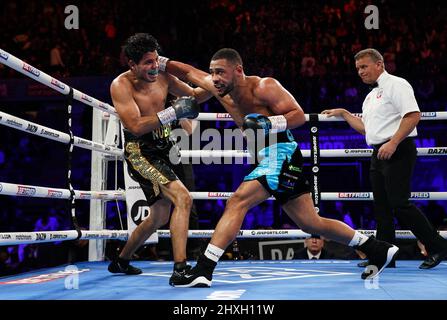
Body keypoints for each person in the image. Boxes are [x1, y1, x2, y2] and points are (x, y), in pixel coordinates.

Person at [162, 48, 399, 287]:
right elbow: (188, 72)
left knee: (237, 201)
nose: (214, 78)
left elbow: (298, 115)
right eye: (212, 72)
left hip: (281, 153)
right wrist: (158, 62)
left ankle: (204, 269)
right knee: (311, 223)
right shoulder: (218, 86)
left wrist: (268, 123)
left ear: (238, 71)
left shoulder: (264, 86)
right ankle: (376, 248)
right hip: (269, 158)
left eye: (220, 72)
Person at [322, 48, 447, 270]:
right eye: (358, 69)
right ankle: (384, 255)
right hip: (378, 152)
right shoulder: (370, 96)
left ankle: (438, 246)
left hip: (398, 149)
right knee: (381, 207)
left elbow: (413, 115)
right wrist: (344, 113)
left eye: (364, 67)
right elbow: (368, 130)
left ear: (379, 64)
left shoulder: (396, 84)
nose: (360, 72)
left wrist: (394, 142)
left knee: (399, 203)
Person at [107, 33, 212, 282]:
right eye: (147, 62)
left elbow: (195, 95)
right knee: (183, 198)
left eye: (156, 60)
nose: (154, 67)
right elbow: (134, 125)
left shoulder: (164, 76)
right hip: (140, 152)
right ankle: (180, 269)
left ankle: (121, 261)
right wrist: (172, 112)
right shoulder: (121, 85)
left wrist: (215, 83)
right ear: (132, 64)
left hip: (164, 148)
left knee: (159, 215)